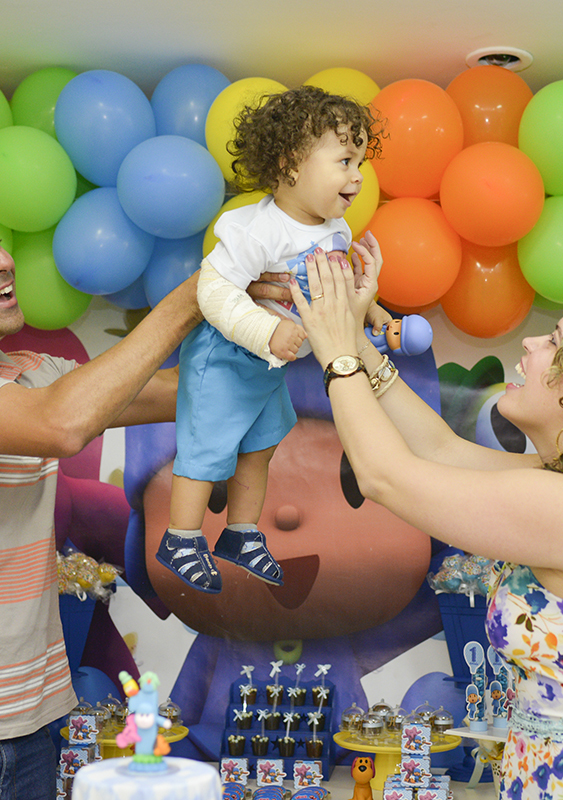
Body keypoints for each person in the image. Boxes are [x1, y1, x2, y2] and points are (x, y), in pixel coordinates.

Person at [0, 191, 282, 800]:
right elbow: (64, 424)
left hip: (31, 725)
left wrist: (269, 321)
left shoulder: (37, 374)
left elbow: (198, 395)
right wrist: (194, 295)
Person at [290, 251, 563, 800]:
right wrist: (357, 341)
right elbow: (438, 449)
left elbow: (386, 479)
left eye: (553, 341)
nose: (529, 345)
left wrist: (335, 357)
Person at [155, 85, 389, 594]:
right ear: (290, 164)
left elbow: (337, 283)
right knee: (207, 448)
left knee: (259, 447)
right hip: (226, 357)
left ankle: (240, 533)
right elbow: (212, 291)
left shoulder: (336, 230)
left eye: (360, 162)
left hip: (269, 366)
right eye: (346, 160)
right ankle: (180, 537)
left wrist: (371, 310)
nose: (357, 176)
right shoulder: (256, 229)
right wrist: (268, 330)